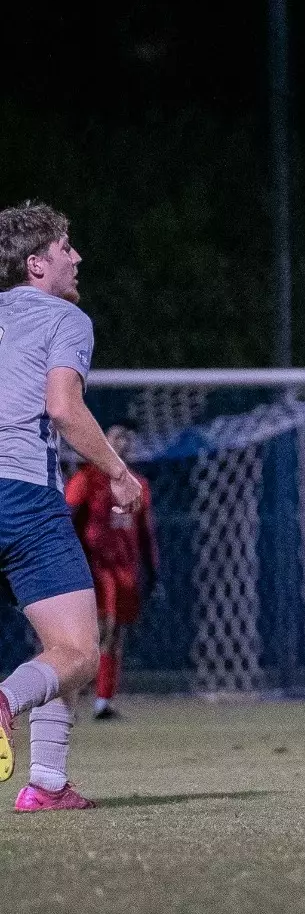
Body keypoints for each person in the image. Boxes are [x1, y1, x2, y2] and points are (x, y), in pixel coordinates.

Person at [0, 201, 142, 812]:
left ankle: (48, 784)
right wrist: (117, 471)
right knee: (80, 651)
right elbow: (62, 407)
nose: (77, 256)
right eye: (65, 248)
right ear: (36, 263)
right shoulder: (63, 317)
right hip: (23, 496)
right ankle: (5, 699)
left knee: (60, 649)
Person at [66, 424, 156, 720]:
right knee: (87, 636)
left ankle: (103, 702)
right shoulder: (88, 478)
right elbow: (67, 519)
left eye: (129, 437)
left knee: (114, 635)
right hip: (93, 569)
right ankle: (64, 702)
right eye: (117, 436)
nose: (124, 442)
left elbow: (144, 532)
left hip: (124, 571)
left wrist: (153, 570)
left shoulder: (138, 484)